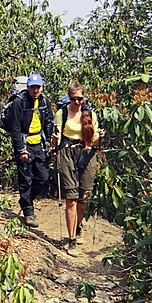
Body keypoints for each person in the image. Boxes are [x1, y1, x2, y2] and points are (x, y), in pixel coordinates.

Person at [51, 82, 105, 256]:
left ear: (84, 98)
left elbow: (94, 140)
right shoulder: (62, 113)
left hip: (87, 153)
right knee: (71, 198)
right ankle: (71, 238)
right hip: (67, 153)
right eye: (74, 99)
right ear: (69, 98)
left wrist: (99, 137)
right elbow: (56, 137)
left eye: (80, 99)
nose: (77, 102)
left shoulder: (90, 114)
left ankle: (78, 225)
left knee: (84, 198)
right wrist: (54, 140)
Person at [7, 73, 55, 228]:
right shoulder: (19, 102)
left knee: (43, 177)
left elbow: (48, 121)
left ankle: (25, 200)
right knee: (25, 178)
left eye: (38, 87)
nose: (35, 90)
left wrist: (50, 139)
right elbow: (14, 128)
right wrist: (21, 149)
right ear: (27, 87)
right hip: (24, 143)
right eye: (33, 87)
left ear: (41, 87)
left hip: (38, 144)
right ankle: (29, 212)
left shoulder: (44, 101)